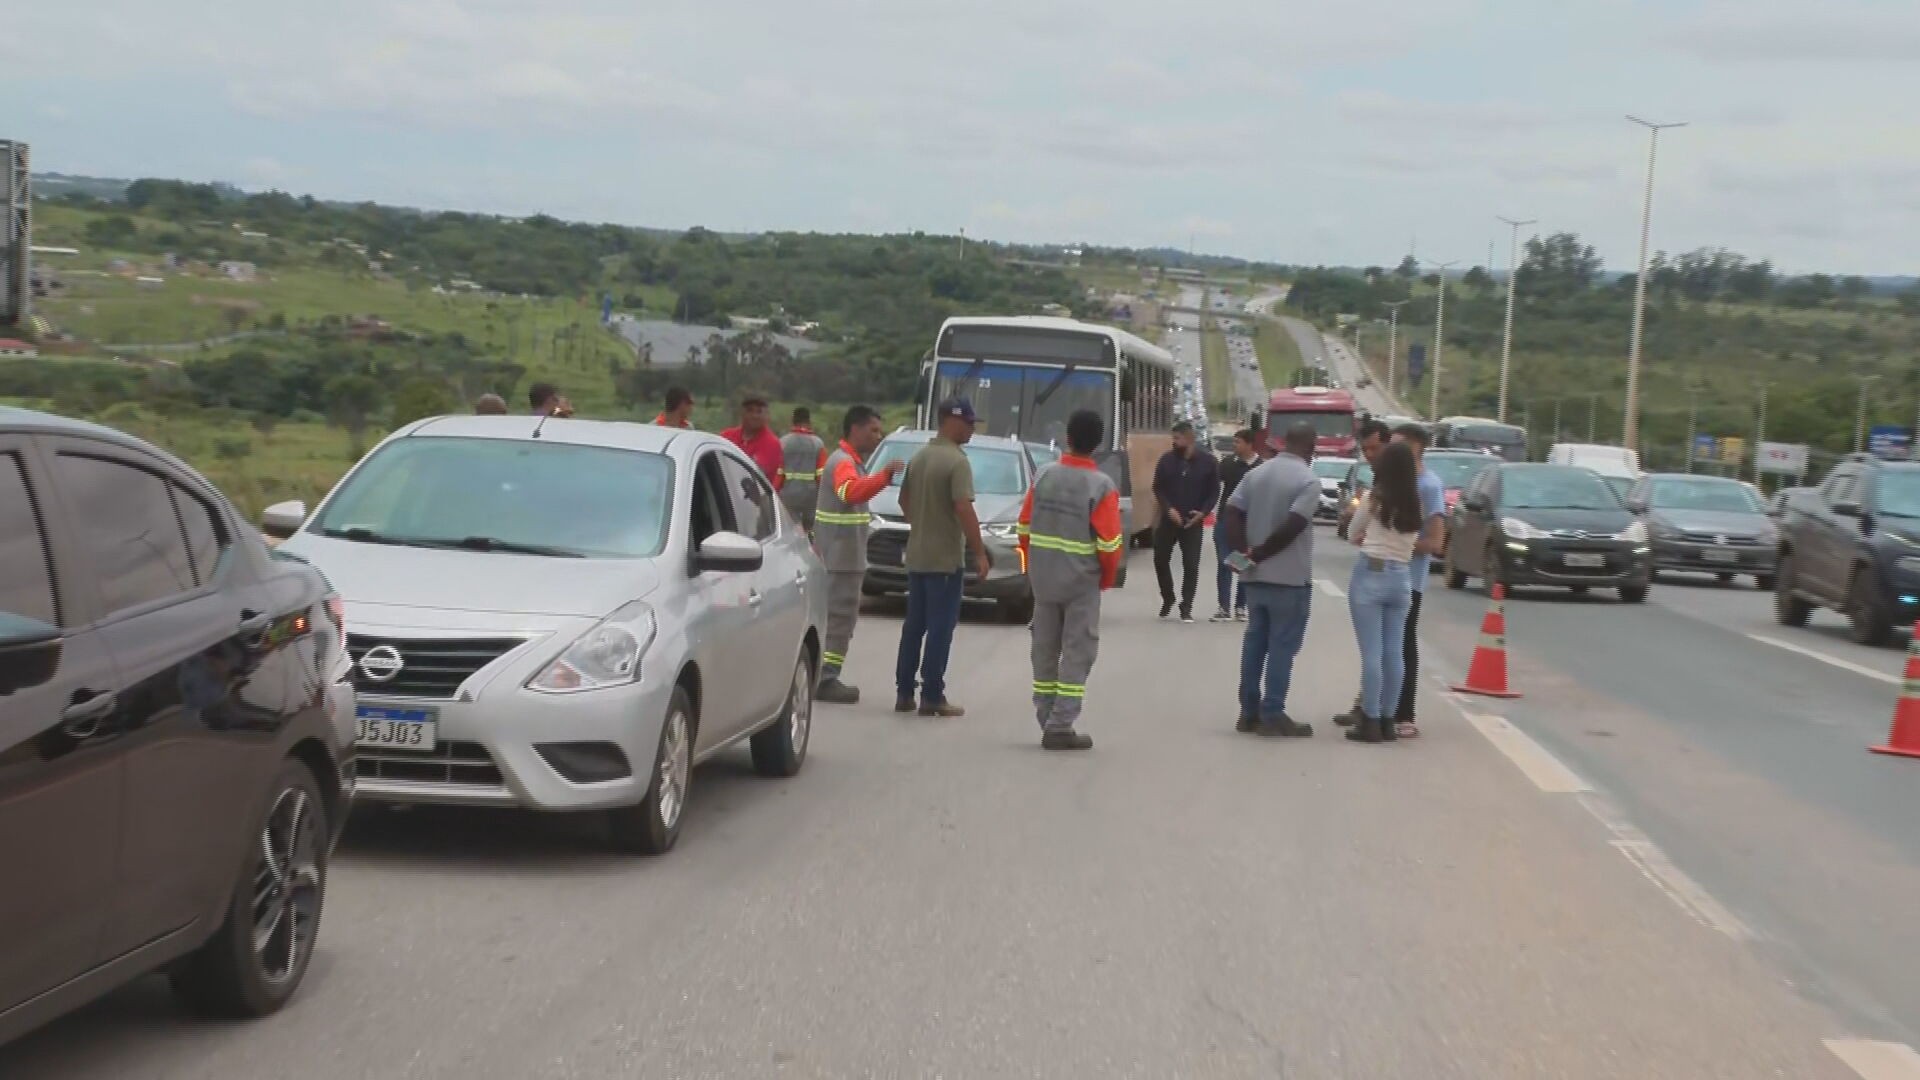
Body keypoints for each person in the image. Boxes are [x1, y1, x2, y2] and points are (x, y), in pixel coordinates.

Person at [1017, 409, 1124, 751]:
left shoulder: (1044, 475)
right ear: (1097, 445)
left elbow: (1023, 527)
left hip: (1044, 580)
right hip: (1081, 584)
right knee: (1078, 653)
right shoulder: (1102, 486)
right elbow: (1109, 545)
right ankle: (1061, 724)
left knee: (1044, 649)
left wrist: (1031, 565)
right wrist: (1104, 580)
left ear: (1068, 438)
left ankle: (1045, 716)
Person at [1340, 423, 1447, 738]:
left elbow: (1351, 533)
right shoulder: (1418, 502)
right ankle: (1389, 718)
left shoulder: (1376, 498)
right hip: (1402, 578)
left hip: (1371, 573)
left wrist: (1364, 535)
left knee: (1371, 653)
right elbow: (1418, 539)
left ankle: (1370, 718)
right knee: (1394, 651)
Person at [1222, 423, 1320, 737]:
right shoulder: (1308, 480)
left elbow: (1231, 512)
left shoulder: (1256, 474)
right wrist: (1260, 553)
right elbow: (1294, 525)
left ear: (1284, 443)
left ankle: (1248, 712)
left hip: (1254, 580)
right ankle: (1273, 713)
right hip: (1289, 580)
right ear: (1311, 448)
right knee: (1281, 648)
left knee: (1254, 645)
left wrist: (1243, 554)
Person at [895, 398, 990, 717]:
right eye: (969, 423)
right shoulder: (956, 461)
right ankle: (933, 695)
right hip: (945, 561)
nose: (972, 430)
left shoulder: (920, 457)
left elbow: (903, 498)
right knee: (940, 627)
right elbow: (963, 507)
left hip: (918, 556)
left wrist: (921, 524)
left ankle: (904, 692)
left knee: (914, 626)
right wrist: (979, 552)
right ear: (951, 421)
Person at [813, 406, 904, 704]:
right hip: (840, 560)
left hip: (844, 558)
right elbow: (848, 493)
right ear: (855, 429)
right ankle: (825, 678)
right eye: (873, 430)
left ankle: (824, 674)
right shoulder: (843, 463)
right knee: (839, 619)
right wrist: (884, 477)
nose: (878, 436)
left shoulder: (852, 462)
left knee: (841, 619)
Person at [1151, 421, 1220, 623]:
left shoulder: (1209, 462)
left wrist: (1203, 512)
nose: (1174, 442)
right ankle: (1168, 597)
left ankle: (1186, 605)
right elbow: (1158, 488)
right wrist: (1168, 508)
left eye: (1177, 438)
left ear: (1190, 439)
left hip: (1193, 521)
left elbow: (1214, 492)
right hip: (1168, 519)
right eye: (1173, 438)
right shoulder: (1166, 460)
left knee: (1191, 564)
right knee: (1160, 559)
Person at [1209, 429, 1259, 623]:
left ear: (1249, 444)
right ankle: (1223, 607)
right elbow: (1213, 488)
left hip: (1248, 523)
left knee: (1243, 563)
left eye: (1238, 442)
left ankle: (1240, 606)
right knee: (1224, 562)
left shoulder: (1260, 468)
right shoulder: (1227, 464)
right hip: (1225, 521)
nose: (1234, 446)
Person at [778, 406, 828, 533]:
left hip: (787, 496)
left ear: (793, 421)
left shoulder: (782, 442)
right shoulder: (818, 444)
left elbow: (778, 473)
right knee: (809, 532)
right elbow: (821, 475)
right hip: (811, 498)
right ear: (809, 422)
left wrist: (774, 492)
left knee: (788, 531)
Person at [720, 394, 786, 490]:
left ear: (766, 415)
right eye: (750, 410)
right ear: (742, 413)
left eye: (759, 412)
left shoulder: (772, 443)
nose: (754, 416)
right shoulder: (726, 436)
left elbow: (759, 476)